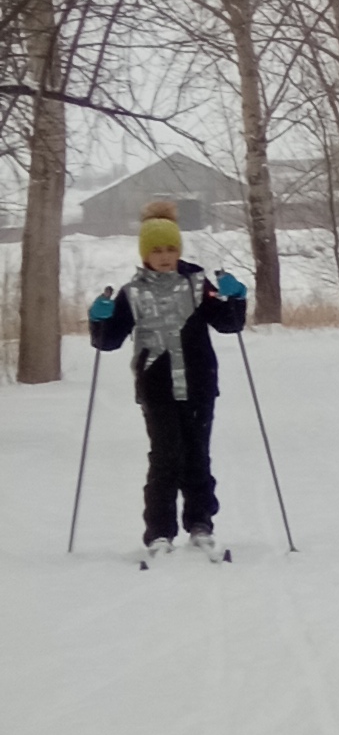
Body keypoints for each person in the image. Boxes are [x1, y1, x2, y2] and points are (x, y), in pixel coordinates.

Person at [86, 210, 250, 561]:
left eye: (170, 249)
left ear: (178, 251)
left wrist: (234, 298)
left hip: (199, 383)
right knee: (165, 458)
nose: (164, 256)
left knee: (197, 456)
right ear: (145, 254)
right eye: (156, 250)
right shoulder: (131, 293)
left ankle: (200, 524)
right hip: (156, 387)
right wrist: (99, 318)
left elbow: (228, 324)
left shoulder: (198, 286)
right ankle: (160, 532)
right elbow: (108, 341)